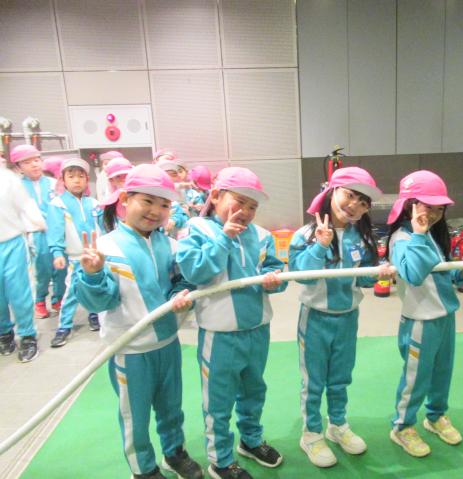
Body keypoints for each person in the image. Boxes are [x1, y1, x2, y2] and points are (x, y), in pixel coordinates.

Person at [75, 164, 204, 479]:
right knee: (135, 416)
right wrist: (93, 274)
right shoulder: (105, 248)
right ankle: (143, 469)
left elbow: (181, 281)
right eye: (147, 200)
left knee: (171, 407)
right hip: (130, 350)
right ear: (125, 200)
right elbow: (100, 301)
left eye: (164, 204)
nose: (155, 211)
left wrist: (180, 295)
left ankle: (174, 453)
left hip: (168, 344)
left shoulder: (170, 245)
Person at [177, 167, 286, 479]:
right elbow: (195, 272)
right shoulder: (196, 228)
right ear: (215, 196)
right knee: (219, 400)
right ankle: (221, 460)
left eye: (253, 206)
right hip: (220, 334)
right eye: (239, 201)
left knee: (254, 391)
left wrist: (274, 281)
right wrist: (224, 238)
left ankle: (251, 440)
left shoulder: (262, 235)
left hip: (258, 329)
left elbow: (277, 271)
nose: (246, 211)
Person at [288, 167, 392, 468]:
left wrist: (378, 273)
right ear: (332, 192)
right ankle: (311, 434)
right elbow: (301, 276)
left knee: (340, 378)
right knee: (313, 381)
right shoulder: (305, 234)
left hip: (348, 318)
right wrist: (321, 245)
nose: (354, 205)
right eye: (350, 195)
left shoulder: (362, 236)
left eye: (363, 202)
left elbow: (363, 280)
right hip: (315, 319)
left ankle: (337, 425)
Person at [385, 170, 463, 457]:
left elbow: (444, 275)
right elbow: (414, 275)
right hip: (419, 321)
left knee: (442, 372)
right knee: (416, 378)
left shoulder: (432, 236)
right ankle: (402, 426)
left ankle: (436, 415)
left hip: (444, 317)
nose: (434, 213)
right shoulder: (402, 238)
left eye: (439, 208)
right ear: (409, 205)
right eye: (427, 206)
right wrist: (418, 234)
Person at [48, 158, 102, 347]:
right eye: (71, 177)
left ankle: (95, 314)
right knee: (72, 291)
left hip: (96, 256)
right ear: (63, 180)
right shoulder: (58, 204)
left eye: (81, 176)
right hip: (76, 257)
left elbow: (103, 227)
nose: (77, 180)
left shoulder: (94, 203)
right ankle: (64, 326)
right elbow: (55, 230)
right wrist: (57, 252)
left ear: (87, 179)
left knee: (96, 287)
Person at [10, 145, 66, 319]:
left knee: (61, 266)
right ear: (18, 167)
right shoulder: (16, 187)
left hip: (57, 230)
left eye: (36, 160)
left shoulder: (53, 183)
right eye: (27, 162)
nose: (34, 165)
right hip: (35, 233)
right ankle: (40, 300)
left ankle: (58, 298)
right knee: (41, 269)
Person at [0, 162, 46, 362]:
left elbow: (26, 204)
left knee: (18, 291)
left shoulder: (7, 178)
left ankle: (27, 335)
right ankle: (4, 332)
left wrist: (39, 223)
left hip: (11, 242)